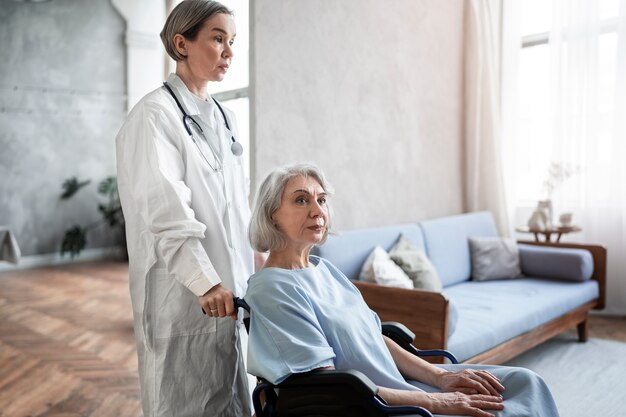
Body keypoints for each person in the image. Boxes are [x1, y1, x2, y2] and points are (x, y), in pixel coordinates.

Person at [243, 163, 561, 417]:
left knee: (525, 382)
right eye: (302, 200)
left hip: (402, 383)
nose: (318, 211)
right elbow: (333, 388)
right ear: (272, 214)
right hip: (371, 404)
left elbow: (373, 334)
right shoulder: (272, 289)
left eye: (321, 199)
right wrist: (436, 402)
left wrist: (439, 377)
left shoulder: (325, 271)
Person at [115, 1, 254, 416]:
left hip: (233, 292)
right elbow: (166, 212)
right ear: (181, 43)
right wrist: (205, 282)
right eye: (217, 38)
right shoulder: (153, 117)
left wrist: (257, 258)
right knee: (186, 402)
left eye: (232, 41)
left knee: (233, 396)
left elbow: (234, 207)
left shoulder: (224, 117)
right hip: (187, 297)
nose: (229, 51)